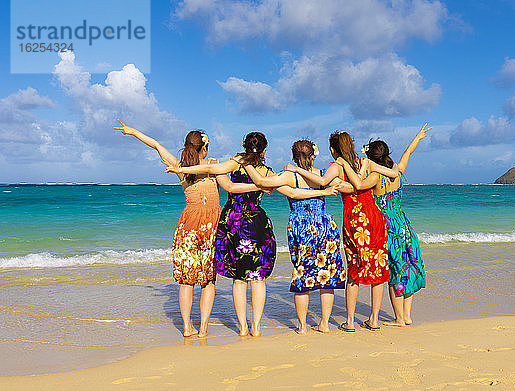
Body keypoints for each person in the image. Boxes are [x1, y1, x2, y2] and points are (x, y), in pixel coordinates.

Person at [114, 120, 260, 337]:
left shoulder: (180, 167)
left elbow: (156, 145)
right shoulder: (211, 164)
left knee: (187, 280)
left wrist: (133, 131)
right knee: (208, 279)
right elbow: (230, 187)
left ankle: (186, 327)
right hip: (212, 225)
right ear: (204, 148)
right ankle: (202, 329)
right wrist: (259, 185)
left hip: (188, 225)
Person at [165, 132, 275, 337]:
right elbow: (289, 190)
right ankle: (256, 328)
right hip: (257, 221)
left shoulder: (235, 164)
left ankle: (242, 328)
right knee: (257, 278)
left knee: (239, 278)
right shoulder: (268, 173)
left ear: (244, 144)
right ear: (264, 149)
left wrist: (182, 168)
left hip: (234, 221)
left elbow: (212, 171)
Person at [285, 132, 396, 332]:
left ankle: (351, 322)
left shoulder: (337, 166)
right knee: (378, 267)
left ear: (333, 149)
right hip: (374, 216)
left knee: (354, 268)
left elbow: (321, 182)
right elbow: (394, 174)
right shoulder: (366, 163)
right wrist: (368, 175)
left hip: (354, 219)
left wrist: (296, 170)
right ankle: (374, 320)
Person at [242, 140, 352, 334]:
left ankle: (302, 326)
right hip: (325, 226)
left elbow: (261, 182)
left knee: (303, 276)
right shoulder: (322, 175)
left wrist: (247, 163)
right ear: (313, 156)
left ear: (293, 157)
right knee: (328, 276)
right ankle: (324, 324)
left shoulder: (289, 175)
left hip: (301, 228)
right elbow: (351, 188)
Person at [336, 123, 430, 326]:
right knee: (408, 267)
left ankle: (398, 318)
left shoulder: (376, 177)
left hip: (385, 225)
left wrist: (346, 167)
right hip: (404, 224)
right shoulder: (397, 171)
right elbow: (407, 153)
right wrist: (417, 137)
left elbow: (359, 186)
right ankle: (406, 315)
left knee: (394, 270)